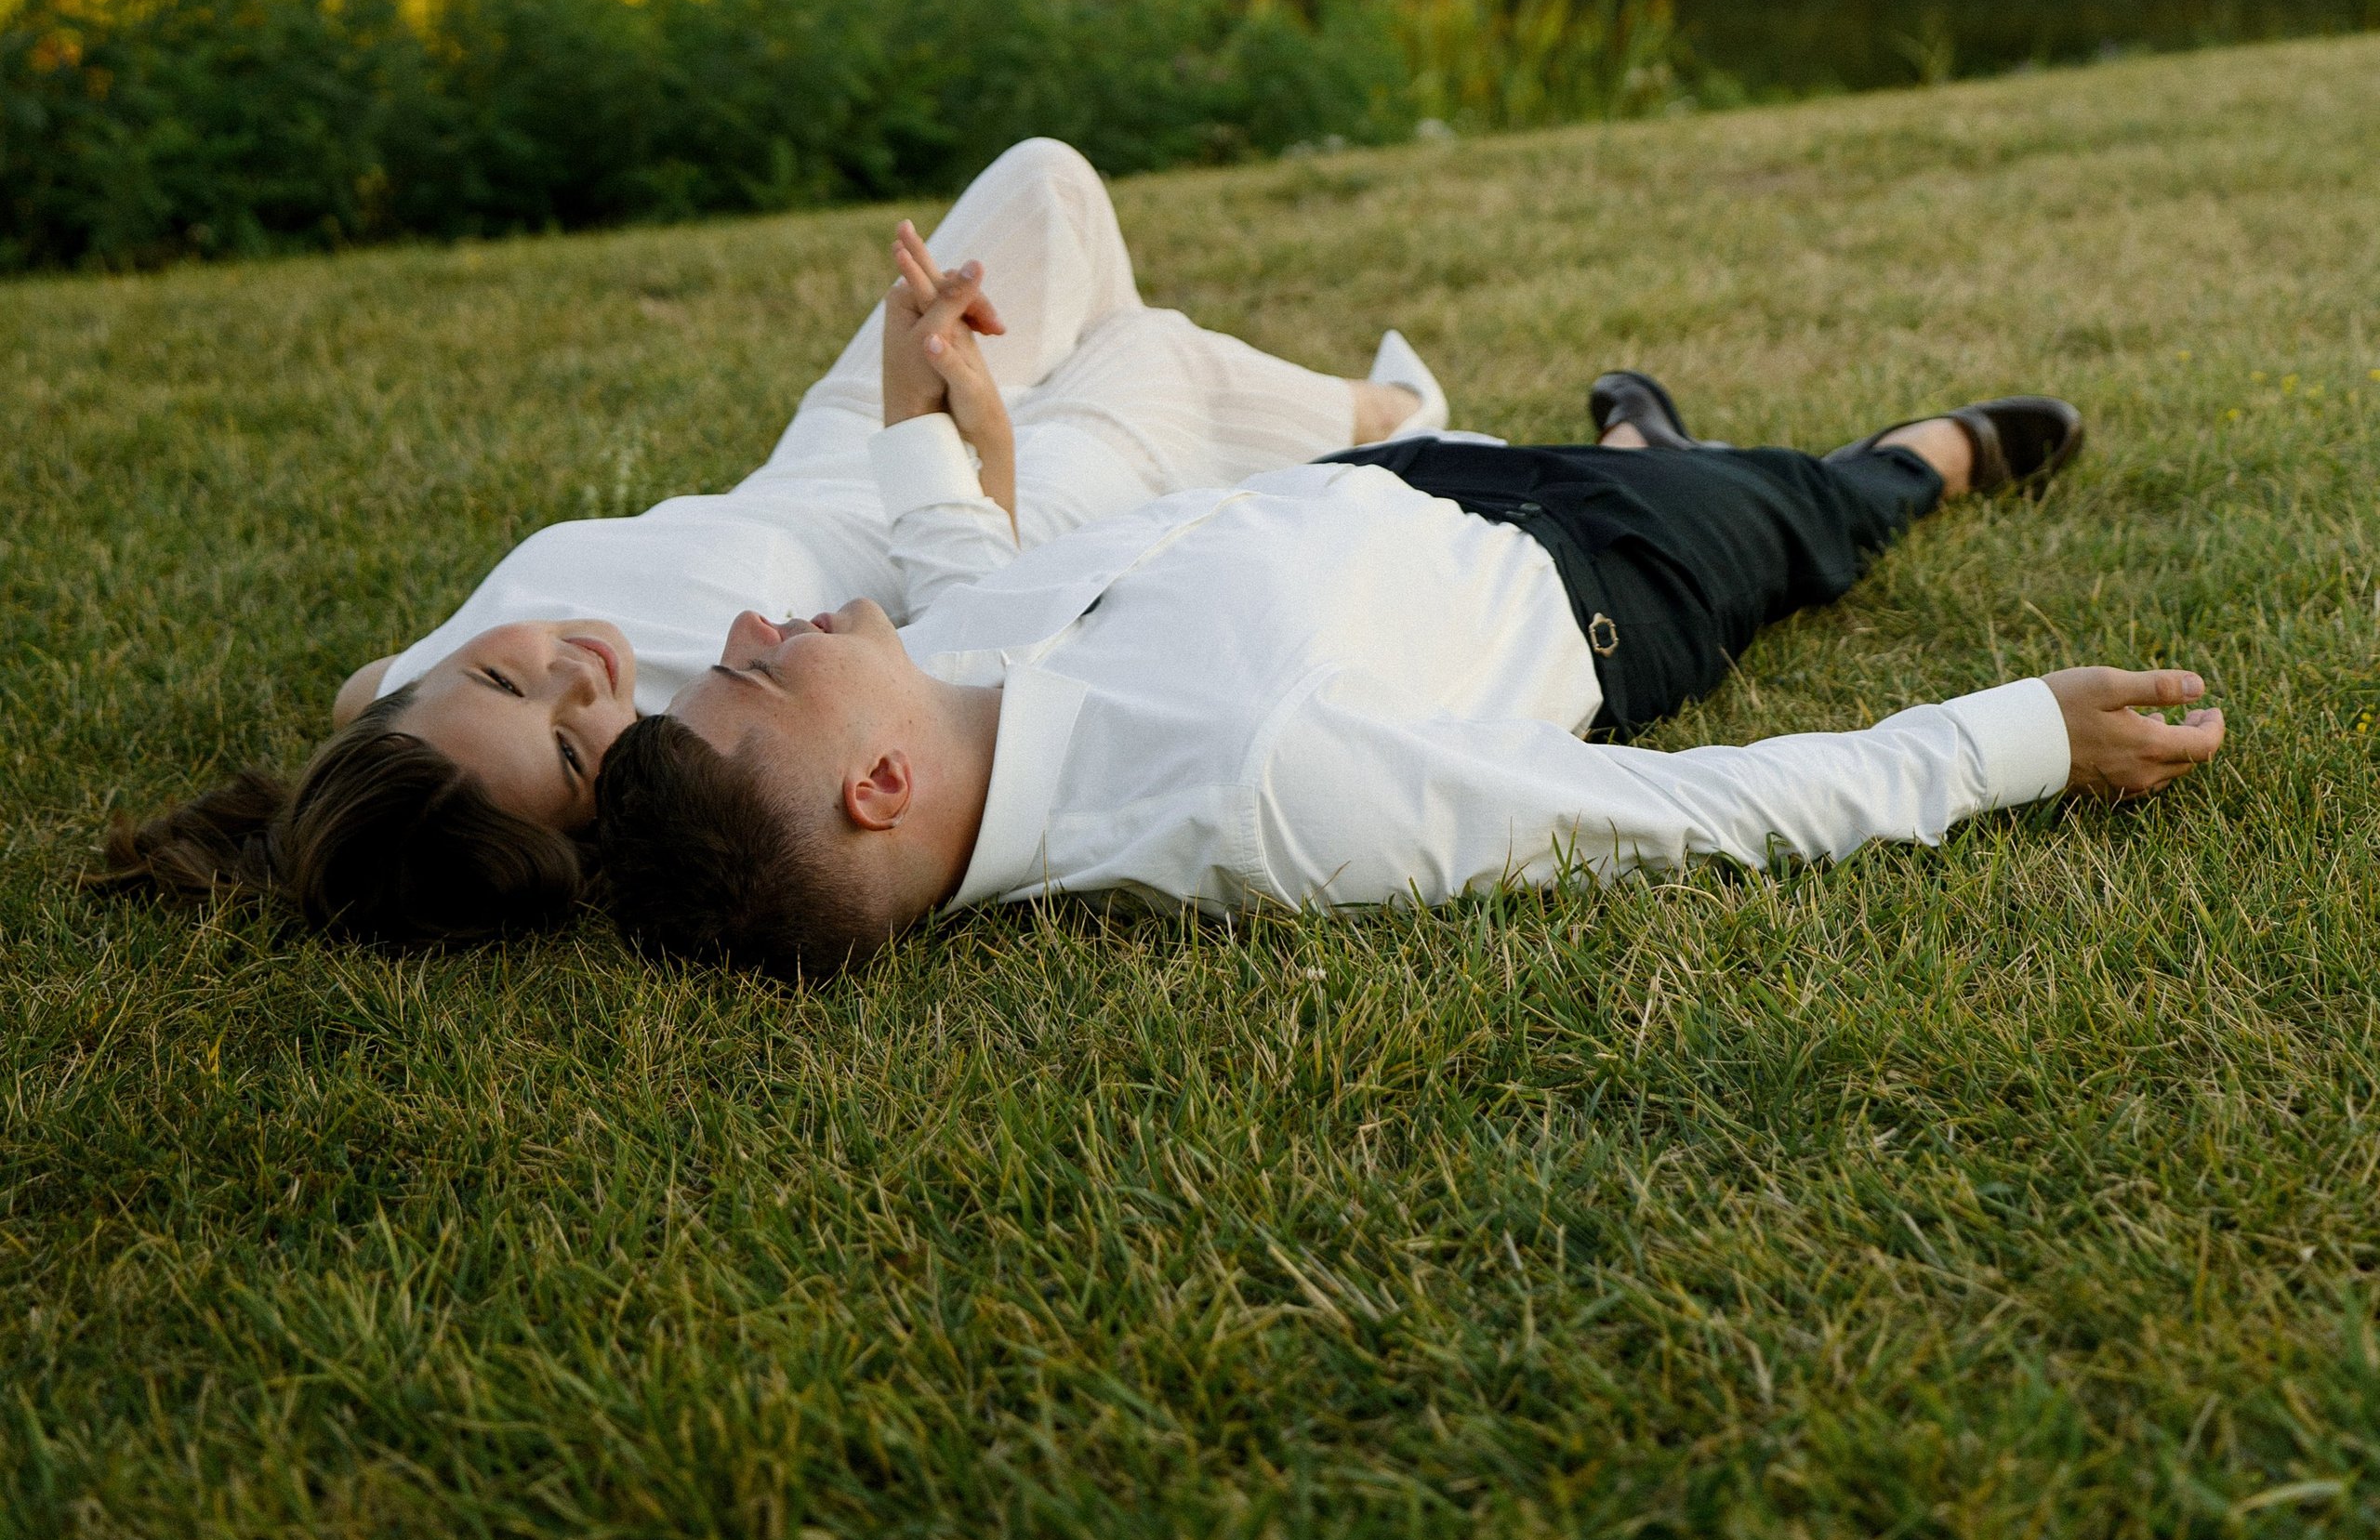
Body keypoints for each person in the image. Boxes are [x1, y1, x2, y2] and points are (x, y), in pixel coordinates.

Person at [93, 139, 1445, 943]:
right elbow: (966, 633)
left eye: (500, 678)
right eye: (574, 751)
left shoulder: (397, 710)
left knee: (1049, 190)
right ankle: (1397, 423)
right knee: (1159, 365)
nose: (578, 676)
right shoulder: (727, 739)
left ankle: (1151, 393)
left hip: (823, 449)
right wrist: (978, 443)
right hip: (963, 504)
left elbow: (375, 739)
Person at [597, 318, 2223, 980]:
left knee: (1684, 462)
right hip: (1598, 574)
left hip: (1395, 484)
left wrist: (921, 413)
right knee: (1815, 515)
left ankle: (1650, 433)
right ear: (880, 787)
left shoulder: (930, 672)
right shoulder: (1268, 799)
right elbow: (1693, 815)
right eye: (756, 672)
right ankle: (1916, 451)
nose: (751, 628)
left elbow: (965, 563)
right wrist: (2022, 742)